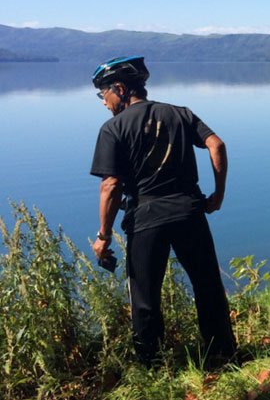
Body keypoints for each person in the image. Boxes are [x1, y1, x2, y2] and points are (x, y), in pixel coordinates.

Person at [89, 56, 237, 367]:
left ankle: (153, 366)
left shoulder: (113, 128)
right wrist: (218, 195)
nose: (103, 102)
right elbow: (217, 145)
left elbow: (111, 187)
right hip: (190, 212)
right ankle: (221, 354)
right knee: (207, 284)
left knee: (144, 298)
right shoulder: (179, 113)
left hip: (146, 219)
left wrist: (103, 236)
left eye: (104, 93)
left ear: (120, 88)